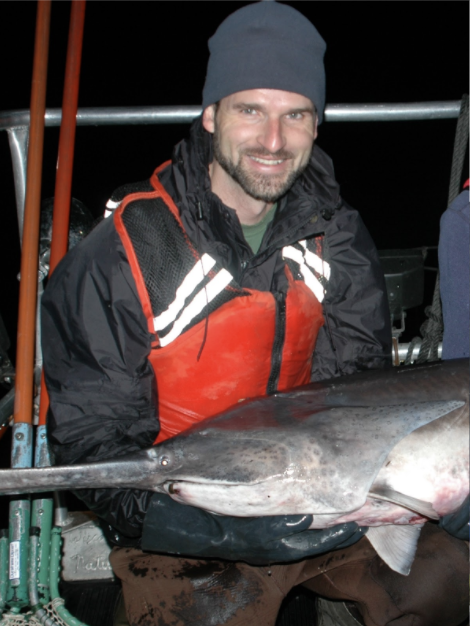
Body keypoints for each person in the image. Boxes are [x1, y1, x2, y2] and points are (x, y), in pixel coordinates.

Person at [41, 3, 468, 626]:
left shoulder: (337, 238)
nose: (273, 141)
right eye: (251, 110)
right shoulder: (119, 259)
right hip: (184, 511)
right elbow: (90, 443)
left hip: (335, 498)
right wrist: (190, 527)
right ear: (211, 114)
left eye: (294, 115)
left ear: (315, 125)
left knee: (447, 579)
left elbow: (365, 400)